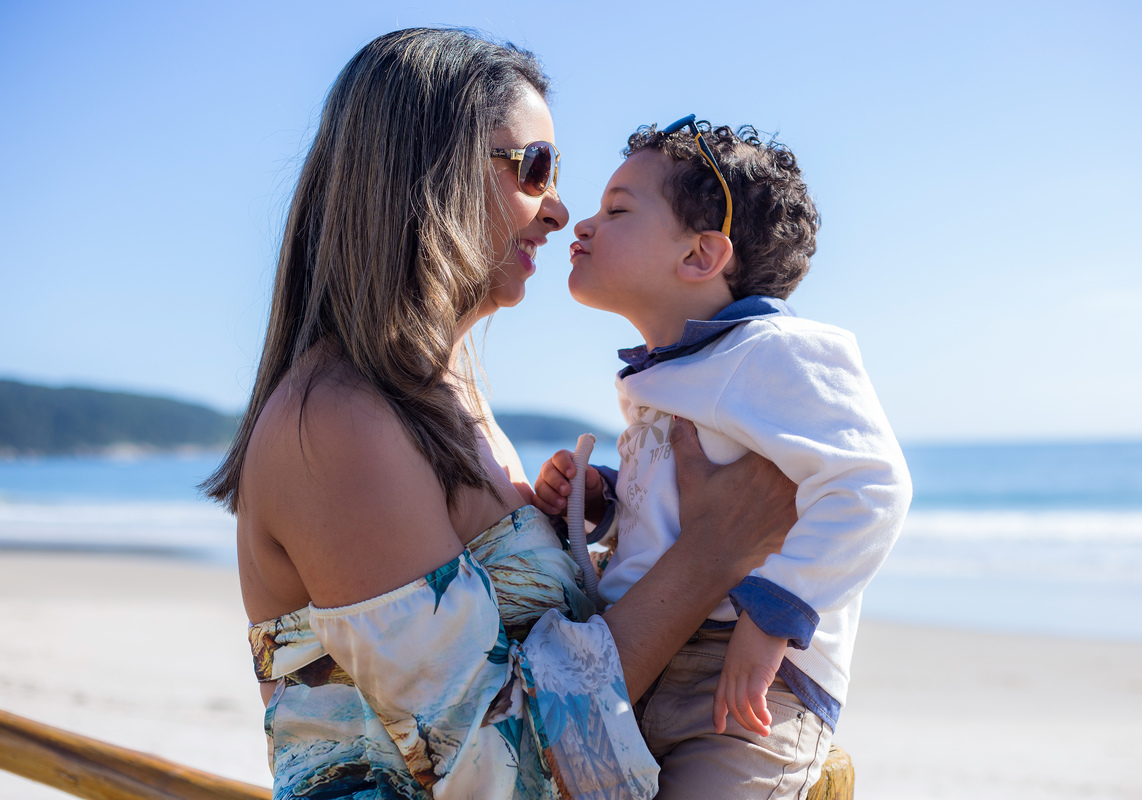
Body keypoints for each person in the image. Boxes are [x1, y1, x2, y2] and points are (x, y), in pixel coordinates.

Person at [204, 30, 799, 800]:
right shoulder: (338, 424)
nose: (559, 211)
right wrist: (713, 550)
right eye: (535, 167)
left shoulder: (447, 390)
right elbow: (494, 774)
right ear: (429, 171)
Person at [534, 118, 912, 798]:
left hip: (749, 674)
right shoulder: (672, 369)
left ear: (701, 255)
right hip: (648, 650)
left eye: (617, 210)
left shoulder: (775, 349)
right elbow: (675, 502)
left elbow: (871, 485)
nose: (581, 224)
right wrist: (606, 500)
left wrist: (772, 621)